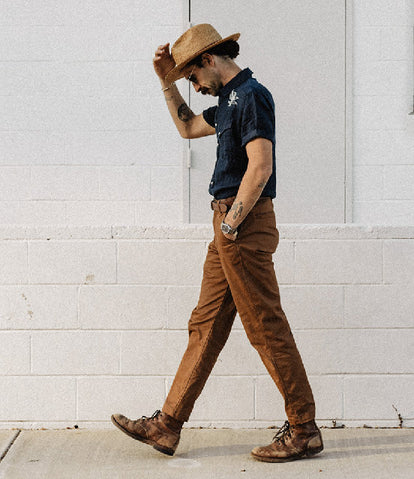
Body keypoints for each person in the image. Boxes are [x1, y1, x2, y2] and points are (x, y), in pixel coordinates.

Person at [111, 23, 323, 463]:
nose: (194, 86)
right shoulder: (227, 102)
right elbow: (187, 127)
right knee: (205, 323)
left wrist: (231, 226)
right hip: (227, 225)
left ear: (209, 60)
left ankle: (303, 428)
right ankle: (167, 425)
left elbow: (260, 167)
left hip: (240, 223)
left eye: (192, 77)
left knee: (265, 326)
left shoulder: (251, 96)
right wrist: (166, 82)